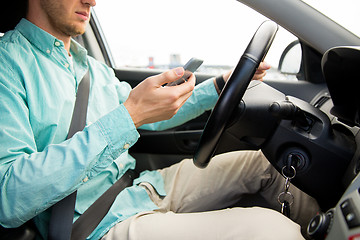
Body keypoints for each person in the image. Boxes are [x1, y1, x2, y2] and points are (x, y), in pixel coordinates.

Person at [0, 0, 320, 239]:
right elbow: (9, 197)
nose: (92, 1)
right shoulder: (8, 66)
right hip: (94, 225)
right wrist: (130, 115)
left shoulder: (90, 67)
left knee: (267, 163)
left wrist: (220, 85)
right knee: (270, 230)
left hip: (139, 187)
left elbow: (150, 119)